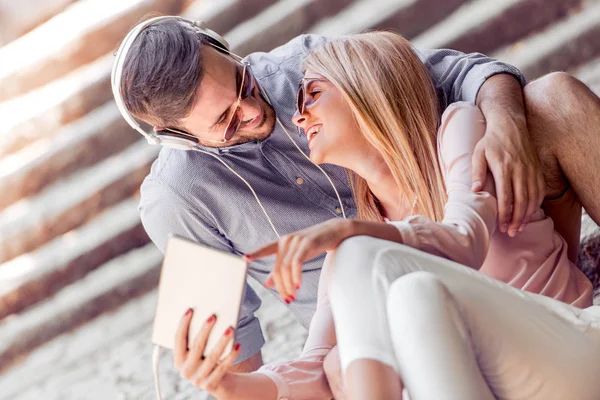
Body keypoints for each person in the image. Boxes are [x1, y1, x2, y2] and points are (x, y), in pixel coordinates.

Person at [112, 15, 600, 393]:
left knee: (554, 98)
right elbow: (234, 345)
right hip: (370, 332)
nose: (257, 111)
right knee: (367, 329)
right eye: (226, 121)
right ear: (176, 138)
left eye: (243, 83)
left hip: (482, 244)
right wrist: (222, 383)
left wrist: (507, 127)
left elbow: (469, 75)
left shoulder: (306, 67)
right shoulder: (172, 201)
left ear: (222, 47)